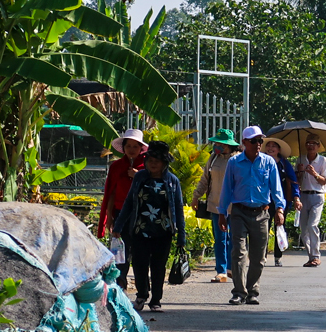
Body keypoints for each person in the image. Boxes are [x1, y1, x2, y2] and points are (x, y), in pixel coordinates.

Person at [113, 141, 185, 312]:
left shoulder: (172, 181)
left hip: (163, 232)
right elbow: (129, 203)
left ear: (165, 163)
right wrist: (118, 226)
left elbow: (179, 209)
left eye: (157, 160)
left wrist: (181, 236)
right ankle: (141, 295)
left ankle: (156, 300)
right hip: (140, 230)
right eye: (150, 159)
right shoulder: (140, 178)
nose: (153, 163)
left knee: (158, 267)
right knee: (139, 264)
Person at [218, 126, 286, 305]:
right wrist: (222, 213)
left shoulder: (269, 162)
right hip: (239, 212)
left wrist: (279, 209)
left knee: (258, 256)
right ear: (244, 142)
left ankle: (252, 291)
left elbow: (276, 188)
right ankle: (239, 292)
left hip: (262, 213)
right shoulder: (234, 163)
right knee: (238, 253)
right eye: (254, 141)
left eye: (260, 141)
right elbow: (227, 189)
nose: (259, 144)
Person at [97, 128, 147, 290]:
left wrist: (137, 175)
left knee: (140, 250)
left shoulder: (148, 167)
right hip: (120, 214)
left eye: (135, 146)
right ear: (123, 148)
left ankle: (142, 287)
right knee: (121, 250)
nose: (131, 150)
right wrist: (109, 218)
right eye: (128, 146)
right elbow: (110, 194)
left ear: (141, 148)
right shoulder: (116, 167)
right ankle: (121, 282)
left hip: (142, 214)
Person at [192, 128, 239, 283]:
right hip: (216, 206)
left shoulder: (238, 159)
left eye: (221, 144)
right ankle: (221, 270)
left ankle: (233, 268)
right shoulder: (213, 158)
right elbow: (205, 179)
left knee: (234, 239)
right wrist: (195, 197)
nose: (217, 146)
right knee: (219, 239)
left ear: (229, 145)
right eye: (216, 143)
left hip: (235, 206)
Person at [262, 135, 301, 266]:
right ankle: (262, 256)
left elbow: (293, 181)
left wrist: (296, 198)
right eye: (268, 145)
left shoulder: (284, 163)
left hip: (281, 201)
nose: (270, 148)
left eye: (273, 146)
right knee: (263, 229)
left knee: (279, 227)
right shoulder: (261, 161)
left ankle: (278, 257)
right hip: (264, 201)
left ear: (278, 149)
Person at [296, 134, 326, 267]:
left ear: (318, 146)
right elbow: (296, 181)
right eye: (308, 143)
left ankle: (316, 256)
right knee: (303, 229)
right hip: (304, 196)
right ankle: (311, 256)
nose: (311, 146)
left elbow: (324, 181)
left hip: (317, 196)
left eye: (314, 143)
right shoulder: (300, 159)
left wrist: (314, 173)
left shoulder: (323, 160)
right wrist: (299, 172)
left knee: (312, 225)